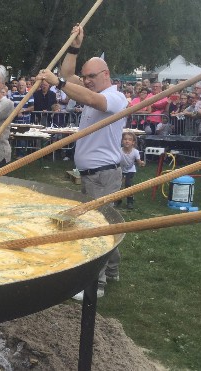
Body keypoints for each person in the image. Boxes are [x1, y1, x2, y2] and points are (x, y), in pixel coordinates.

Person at [37, 24, 127, 299]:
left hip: (103, 174)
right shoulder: (91, 89)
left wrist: (59, 84)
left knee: (96, 227)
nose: (86, 80)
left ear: (105, 75)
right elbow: (66, 74)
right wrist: (75, 45)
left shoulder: (115, 97)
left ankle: (95, 284)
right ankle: (112, 270)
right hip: (91, 173)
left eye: (91, 76)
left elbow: (90, 97)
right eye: (84, 76)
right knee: (105, 223)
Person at [115, 132, 145, 209]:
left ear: (133, 142)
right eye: (125, 139)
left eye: (129, 140)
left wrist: (141, 163)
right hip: (120, 170)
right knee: (118, 185)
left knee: (128, 185)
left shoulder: (135, 152)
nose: (127, 141)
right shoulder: (119, 151)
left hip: (130, 170)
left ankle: (130, 202)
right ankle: (118, 200)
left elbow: (138, 161)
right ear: (122, 141)